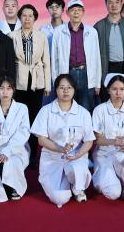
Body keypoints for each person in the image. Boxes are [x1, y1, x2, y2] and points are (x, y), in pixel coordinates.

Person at [31, 74, 95, 207]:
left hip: (76, 157)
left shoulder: (83, 113)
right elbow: (41, 140)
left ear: (74, 90)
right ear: (56, 90)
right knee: (59, 199)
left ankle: (77, 188)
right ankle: (65, 182)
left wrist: (78, 155)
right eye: (61, 88)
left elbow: (89, 141)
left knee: (76, 169)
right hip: (53, 158)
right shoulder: (46, 111)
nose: (65, 91)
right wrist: (60, 149)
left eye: (69, 87)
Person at [92, 73, 124, 205]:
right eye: (114, 89)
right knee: (112, 193)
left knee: (122, 157)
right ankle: (104, 178)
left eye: (122, 89)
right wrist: (113, 141)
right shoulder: (99, 110)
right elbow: (97, 140)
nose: (118, 93)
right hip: (105, 154)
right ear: (108, 90)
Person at [9, 4, 50, 166]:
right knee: (17, 119)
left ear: (35, 18)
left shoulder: (41, 36)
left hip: (36, 82)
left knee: (34, 118)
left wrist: (47, 84)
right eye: (24, 15)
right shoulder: (11, 36)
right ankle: (17, 152)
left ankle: (32, 155)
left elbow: (46, 61)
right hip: (18, 81)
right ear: (20, 17)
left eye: (30, 15)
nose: (27, 18)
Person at [0, 75, 31, 202]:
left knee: (11, 160)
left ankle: (12, 186)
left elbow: (23, 133)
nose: (5, 92)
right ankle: (3, 183)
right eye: (1, 88)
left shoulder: (22, 108)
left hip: (17, 148)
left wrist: (8, 150)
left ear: (13, 90)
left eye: (8, 88)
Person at [51, 0, 102, 112]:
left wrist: (97, 83)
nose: (76, 12)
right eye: (73, 10)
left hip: (86, 74)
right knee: (66, 107)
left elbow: (97, 58)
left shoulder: (92, 31)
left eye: (79, 10)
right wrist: (56, 81)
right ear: (67, 13)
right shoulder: (59, 31)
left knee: (86, 108)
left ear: (83, 12)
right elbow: (54, 59)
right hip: (67, 73)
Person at [39, 0, 65, 105]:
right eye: (51, 7)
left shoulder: (68, 28)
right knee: (47, 100)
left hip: (64, 66)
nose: (54, 9)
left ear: (63, 9)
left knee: (63, 97)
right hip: (47, 68)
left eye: (57, 7)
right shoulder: (43, 29)